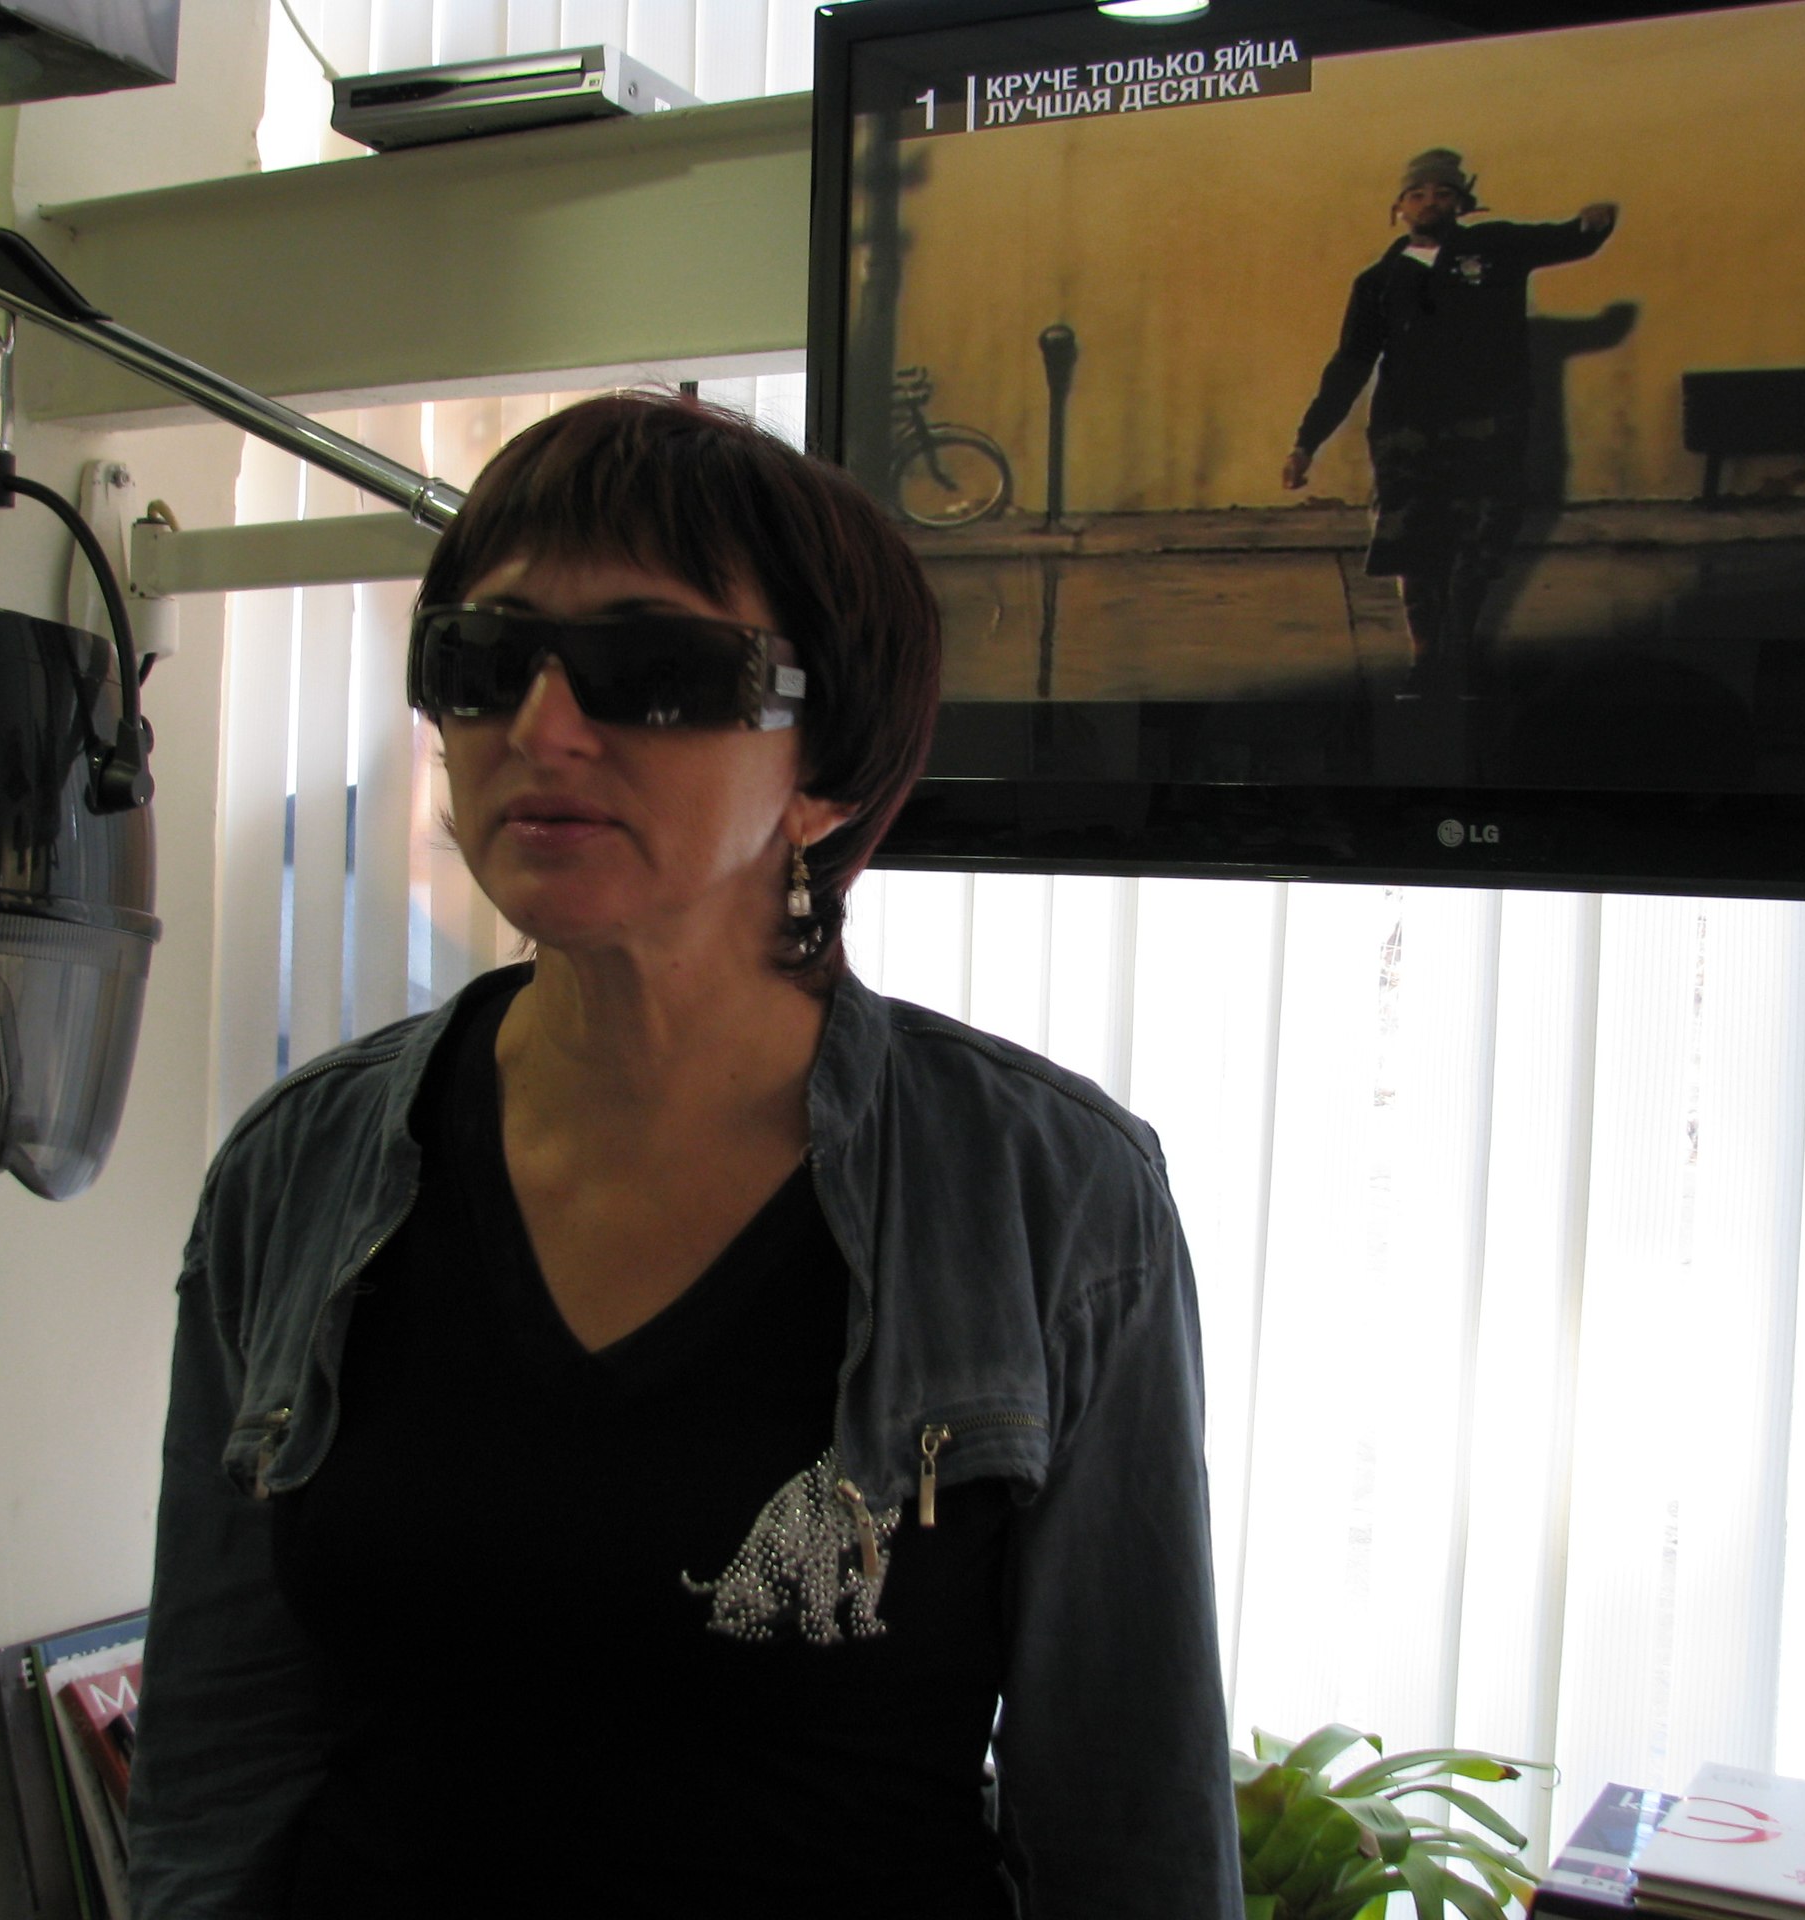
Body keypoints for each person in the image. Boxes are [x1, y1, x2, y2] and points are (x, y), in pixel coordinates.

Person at [125, 394, 1241, 1918]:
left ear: (827, 766)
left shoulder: (1045, 1195)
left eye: (652, 670)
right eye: (483, 660)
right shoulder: (297, 1171)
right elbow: (218, 1753)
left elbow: (1130, 1831)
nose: (541, 727)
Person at [1283, 149, 1618, 691]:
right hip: (1406, 432)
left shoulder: (1496, 248)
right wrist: (1306, 442)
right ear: (1398, 208)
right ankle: (1423, 657)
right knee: (1412, 545)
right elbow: (1351, 363)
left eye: (1442, 193)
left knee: (1479, 542)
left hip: (1488, 423)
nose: (1429, 201)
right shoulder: (1378, 281)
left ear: (1462, 204)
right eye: (1417, 194)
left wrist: (1594, 224)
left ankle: (1459, 651)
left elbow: (1566, 240)